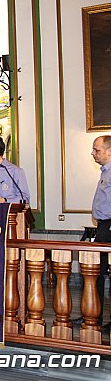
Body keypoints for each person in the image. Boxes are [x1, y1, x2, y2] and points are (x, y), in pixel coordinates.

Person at [90, 135, 111, 331]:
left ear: (109, 151)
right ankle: (94, 316)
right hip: (104, 226)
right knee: (97, 270)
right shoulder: (105, 172)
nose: (93, 153)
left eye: (97, 150)